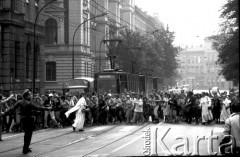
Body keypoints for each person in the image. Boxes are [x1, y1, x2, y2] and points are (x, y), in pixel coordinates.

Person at [3, 89, 51, 154]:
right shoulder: (29, 103)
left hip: (24, 119)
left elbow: (12, 108)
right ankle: (25, 148)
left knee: (26, 134)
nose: (31, 96)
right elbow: (38, 107)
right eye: (29, 95)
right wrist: (47, 108)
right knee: (29, 134)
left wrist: (5, 113)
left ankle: (26, 147)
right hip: (30, 119)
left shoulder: (19, 102)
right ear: (26, 96)